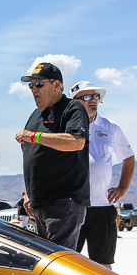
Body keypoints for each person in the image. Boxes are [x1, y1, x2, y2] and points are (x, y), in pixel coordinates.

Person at [14, 63, 90, 248]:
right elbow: (31, 157)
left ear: (56, 85)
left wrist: (33, 136)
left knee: (59, 264)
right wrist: (27, 194)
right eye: (31, 85)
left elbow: (76, 141)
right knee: (45, 263)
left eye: (39, 84)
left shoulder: (72, 108)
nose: (33, 89)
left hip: (63, 202)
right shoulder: (35, 115)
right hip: (39, 203)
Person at [68, 81, 135, 269]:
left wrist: (123, 188)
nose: (93, 101)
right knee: (67, 264)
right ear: (74, 102)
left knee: (104, 265)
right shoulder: (65, 126)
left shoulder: (110, 127)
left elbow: (128, 157)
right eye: (86, 97)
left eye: (96, 96)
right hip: (73, 206)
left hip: (102, 206)